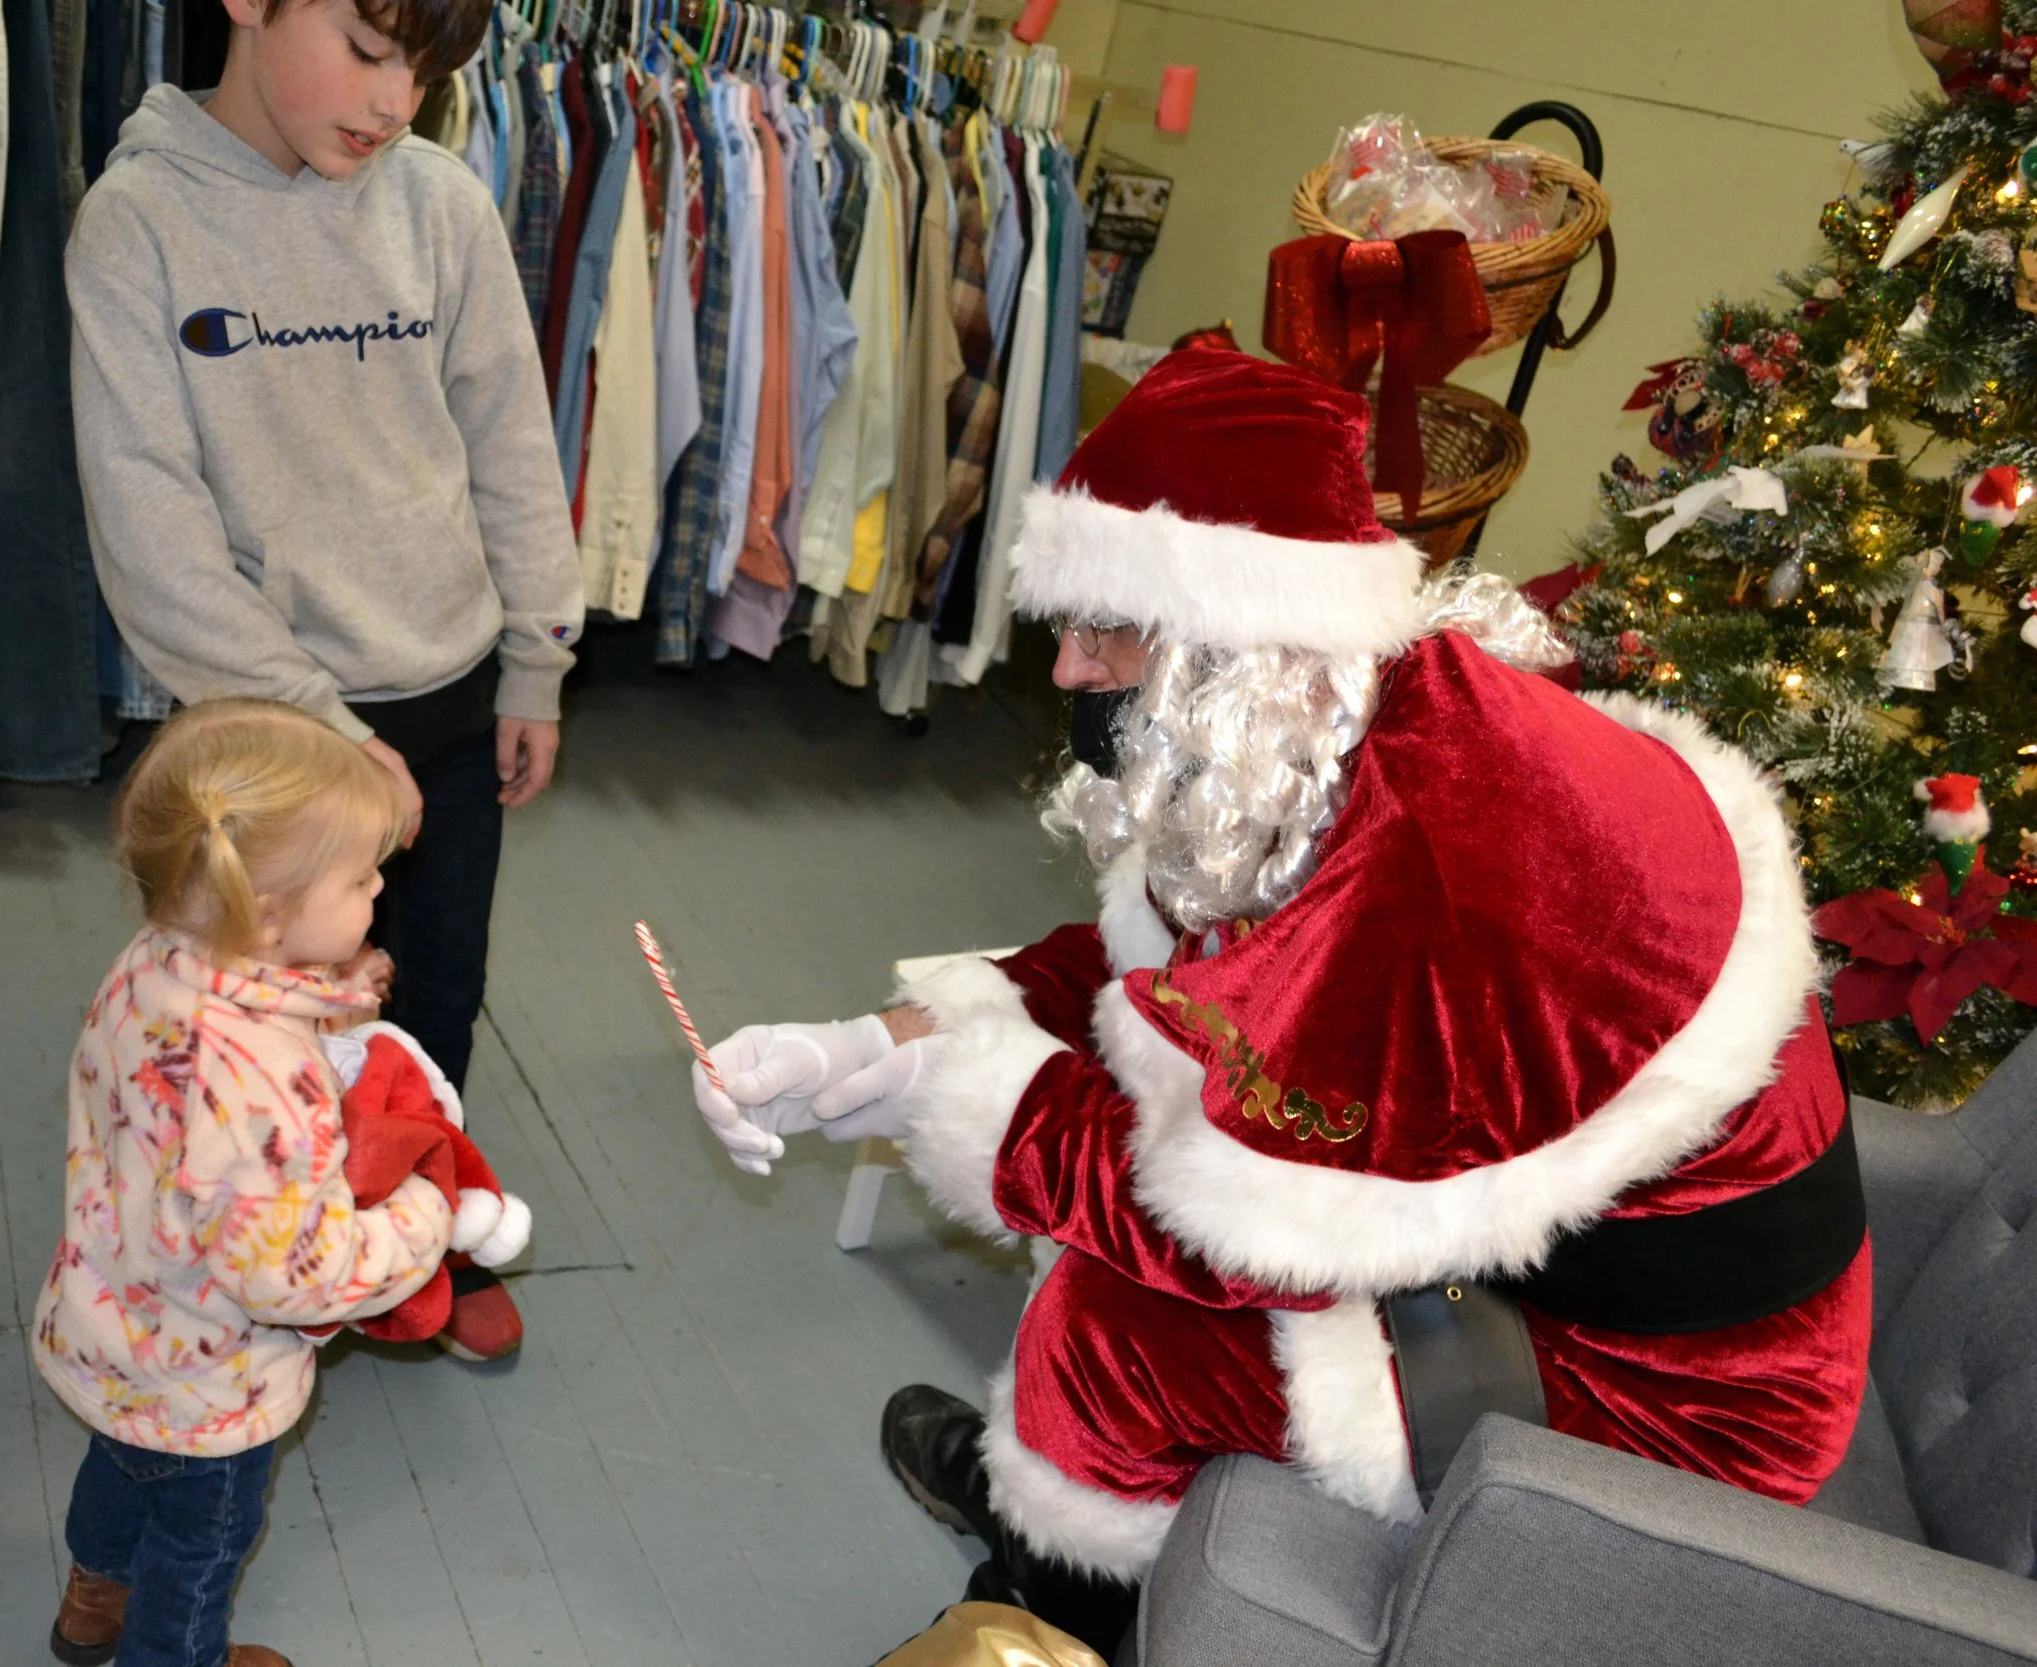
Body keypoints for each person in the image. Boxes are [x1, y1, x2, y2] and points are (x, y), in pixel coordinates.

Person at [690, 349, 1868, 1656]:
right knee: (1094, 1253)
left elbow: (1219, 1225)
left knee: (1108, 1329)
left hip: (1653, 1403)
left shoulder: (1428, 877)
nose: (1071, 671)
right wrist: (886, 1035)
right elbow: (1175, 976)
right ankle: (1063, 1531)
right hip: (1522, 1251)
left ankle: (1059, 1606)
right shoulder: (1337, 725)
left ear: (1239, 644)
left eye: (1108, 630)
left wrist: (956, 1092)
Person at [67, 0, 582, 1356]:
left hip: (455, 700)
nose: (395, 99)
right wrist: (325, 730)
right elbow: (152, 536)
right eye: (367, 49)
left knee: (429, 1002)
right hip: (270, 737)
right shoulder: (138, 225)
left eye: (424, 69)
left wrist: (536, 654)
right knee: (258, 1033)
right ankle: (272, 1258)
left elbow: (510, 447)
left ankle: (422, 1234)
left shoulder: (442, 206)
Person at [34, 699, 538, 1667]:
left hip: (113, 1315)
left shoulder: (156, 960)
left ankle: (91, 1600)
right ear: (268, 914)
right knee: (201, 1538)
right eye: (359, 876)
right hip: (211, 1376)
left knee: (120, 1461)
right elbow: (297, 1276)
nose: (382, 883)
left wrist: (336, 991)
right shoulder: (261, 1076)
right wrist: (423, 1214)